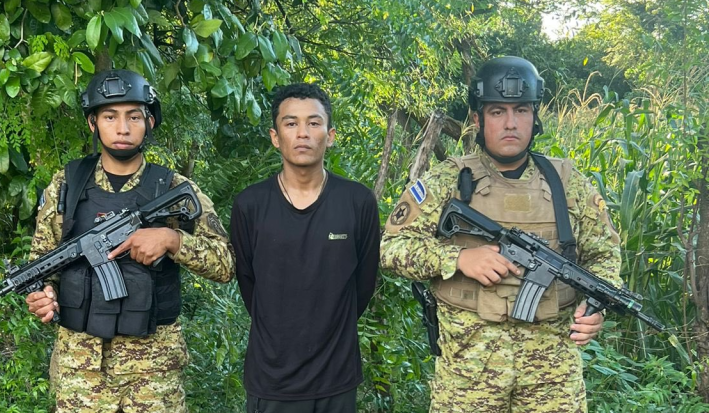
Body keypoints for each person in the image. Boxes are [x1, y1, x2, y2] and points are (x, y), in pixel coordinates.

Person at [380, 56, 622, 412]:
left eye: (521, 110)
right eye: (497, 112)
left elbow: (604, 255)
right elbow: (391, 247)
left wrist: (595, 306)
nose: (511, 123)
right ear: (477, 119)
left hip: (552, 376)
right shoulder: (446, 181)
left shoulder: (568, 185)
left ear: (534, 117)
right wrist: (459, 258)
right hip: (467, 373)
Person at [24, 69, 235, 412]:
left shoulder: (172, 188)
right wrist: (41, 296)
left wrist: (172, 239)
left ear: (149, 122)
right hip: (80, 371)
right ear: (93, 124)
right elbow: (42, 261)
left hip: (154, 373)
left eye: (134, 117)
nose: (122, 128)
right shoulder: (65, 184)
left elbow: (225, 262)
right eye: (110, 116)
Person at [230, 83, 380, 413]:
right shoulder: (250, 205)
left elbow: (364, 285)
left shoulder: (357, 202)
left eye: (313, 123)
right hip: (272, 380)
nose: (302, 133)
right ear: (275, 136)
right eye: (291, 123)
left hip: (336, 378)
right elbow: (249, 285)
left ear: (330, 135)